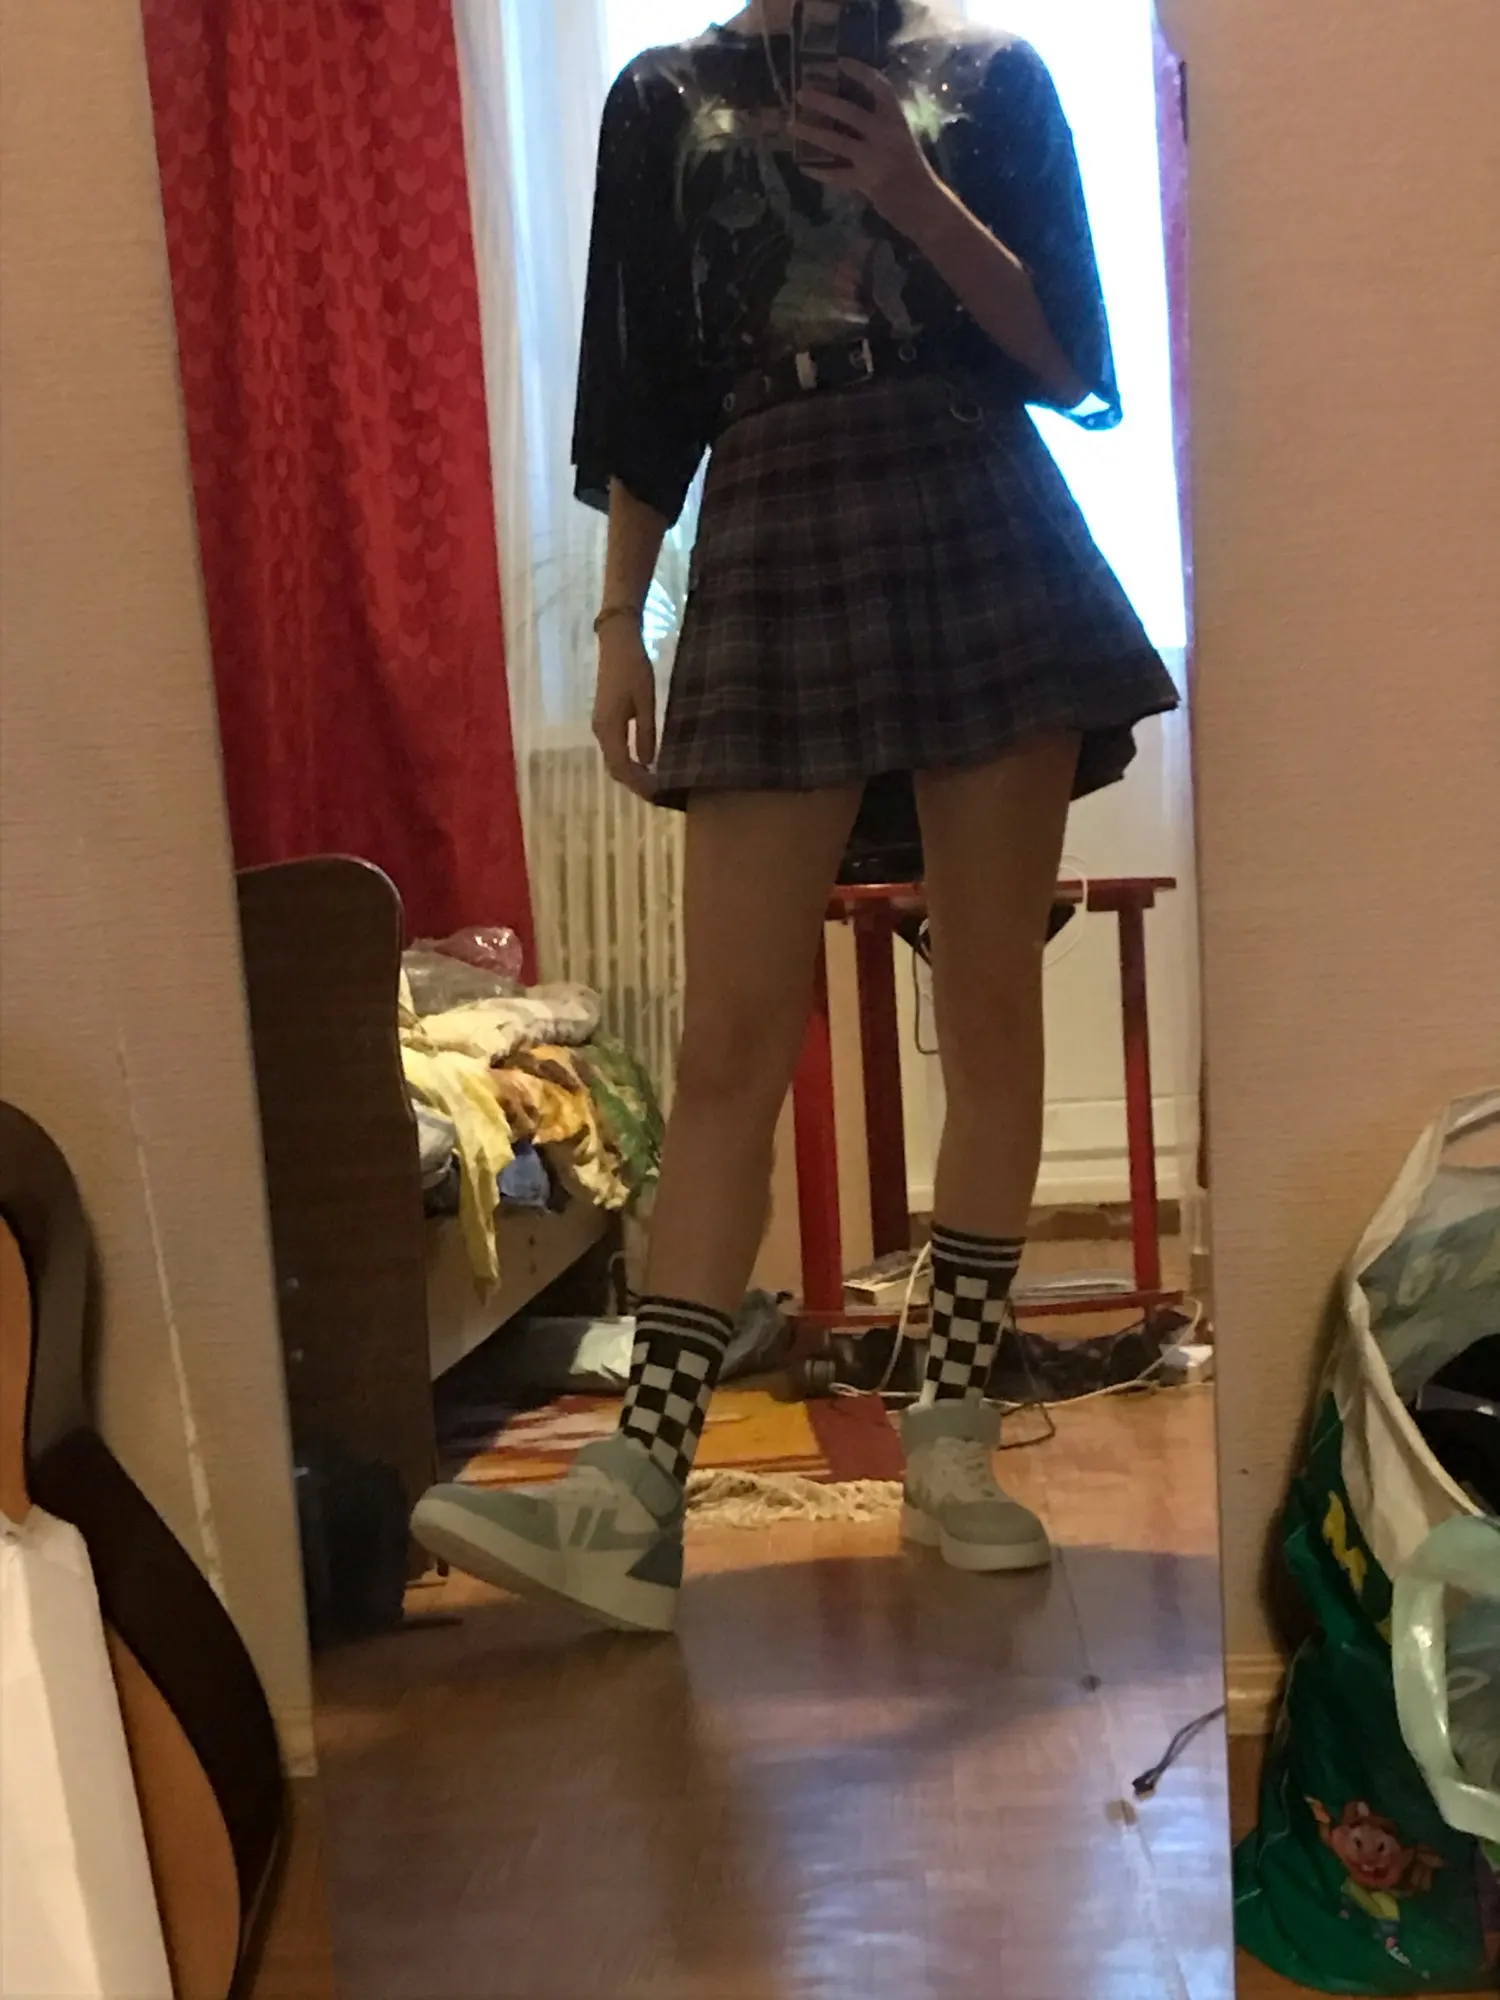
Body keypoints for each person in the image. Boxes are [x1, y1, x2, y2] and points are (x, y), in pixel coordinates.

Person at [412, 0, 1179, 1631]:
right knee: (727, 1041)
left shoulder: (991, 76)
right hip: (769, 523)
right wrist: (618, 629)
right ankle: (636, 1495)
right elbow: (642, 397)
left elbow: (1073, 364)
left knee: (989, 1003)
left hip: (975, 507)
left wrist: (915, 193)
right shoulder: (661, 96)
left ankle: (954, 1445)